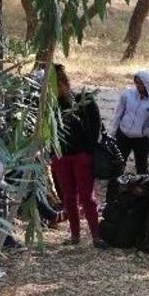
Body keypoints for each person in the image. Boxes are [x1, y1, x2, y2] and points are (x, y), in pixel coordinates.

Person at [52, 64, 103, 247]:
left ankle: (96, 235)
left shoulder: (85, 100)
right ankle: (75, 235)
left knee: (87, 196)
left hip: (82, 155)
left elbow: (95, 127)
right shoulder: (51, 105)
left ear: (64, 83)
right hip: (61, 155)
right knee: (68, 197)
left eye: (56, 85)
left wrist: (88, 152)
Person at [110, 70, 149, 175]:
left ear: (148, 83)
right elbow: (118, 113)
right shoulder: (128, 94)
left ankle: (140, 190)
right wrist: (113, 132)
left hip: (142, 139)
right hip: (123, 135)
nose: (138, 85)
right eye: (137, 82)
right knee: (117, 165)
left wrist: (146, 132)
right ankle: (113, 190)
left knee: (141, 167)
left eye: (141, 83)